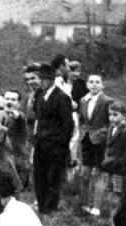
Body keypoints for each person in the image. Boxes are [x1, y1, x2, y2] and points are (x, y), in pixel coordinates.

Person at [32, 62, 74, 215]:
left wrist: (62, 145)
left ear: (50, 80)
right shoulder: (40, 96)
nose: (40, 82)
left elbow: (68, 124)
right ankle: (42, 205)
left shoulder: (62, 98)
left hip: (55, 144)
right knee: (40, 175)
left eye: (43, 79)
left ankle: (51, 207)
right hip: (41, 143)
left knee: (54, 176)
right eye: (40, 79)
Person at [77, 72, 113, 216]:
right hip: (86, 140)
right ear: (87, 84)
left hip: (100, 141)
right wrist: (83, 132)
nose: (94, 84)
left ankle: (96, 207)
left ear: (102, 85)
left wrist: (102, 134)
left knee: (98, 173)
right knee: (84, 173)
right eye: (91, 82)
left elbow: (111, 122)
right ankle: (85, 204)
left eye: (97, 82)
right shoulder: (83, 100)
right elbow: (81, 120)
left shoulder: (107, 101)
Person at [100, 101, 126, 218]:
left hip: (118, 169)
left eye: (115, 114)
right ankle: (112, 220)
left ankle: (116, 223)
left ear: (124, 115)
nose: (111, 117)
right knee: (109, 193)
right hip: (109, 167)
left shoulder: (125, 130)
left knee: (118, 195)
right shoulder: (112, 127)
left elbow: (125, 153)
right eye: (110, 114)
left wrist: (113, 163)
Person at [2, 89, 31, 190]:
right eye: (7, 99)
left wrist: (17, 115)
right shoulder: (0, 117)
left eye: (13, 100)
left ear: (18, 103)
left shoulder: (19, 118)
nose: (9, 101)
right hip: (3, 163)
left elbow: (21, 118)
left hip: (18, 164)